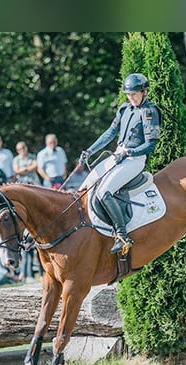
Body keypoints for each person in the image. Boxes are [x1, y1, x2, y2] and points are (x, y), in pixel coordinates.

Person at [78, 73, 161, 253]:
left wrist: (131, 151)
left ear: (144, 92)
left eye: (134, 93)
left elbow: (151, 144)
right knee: (88, 184)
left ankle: (123, 235)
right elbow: (110, 133)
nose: (130, 97)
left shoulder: (149, 112)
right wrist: (90, 150)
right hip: (119, 155)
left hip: (135, 160)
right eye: (128, 94)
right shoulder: (124, 109)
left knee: (104, 191)